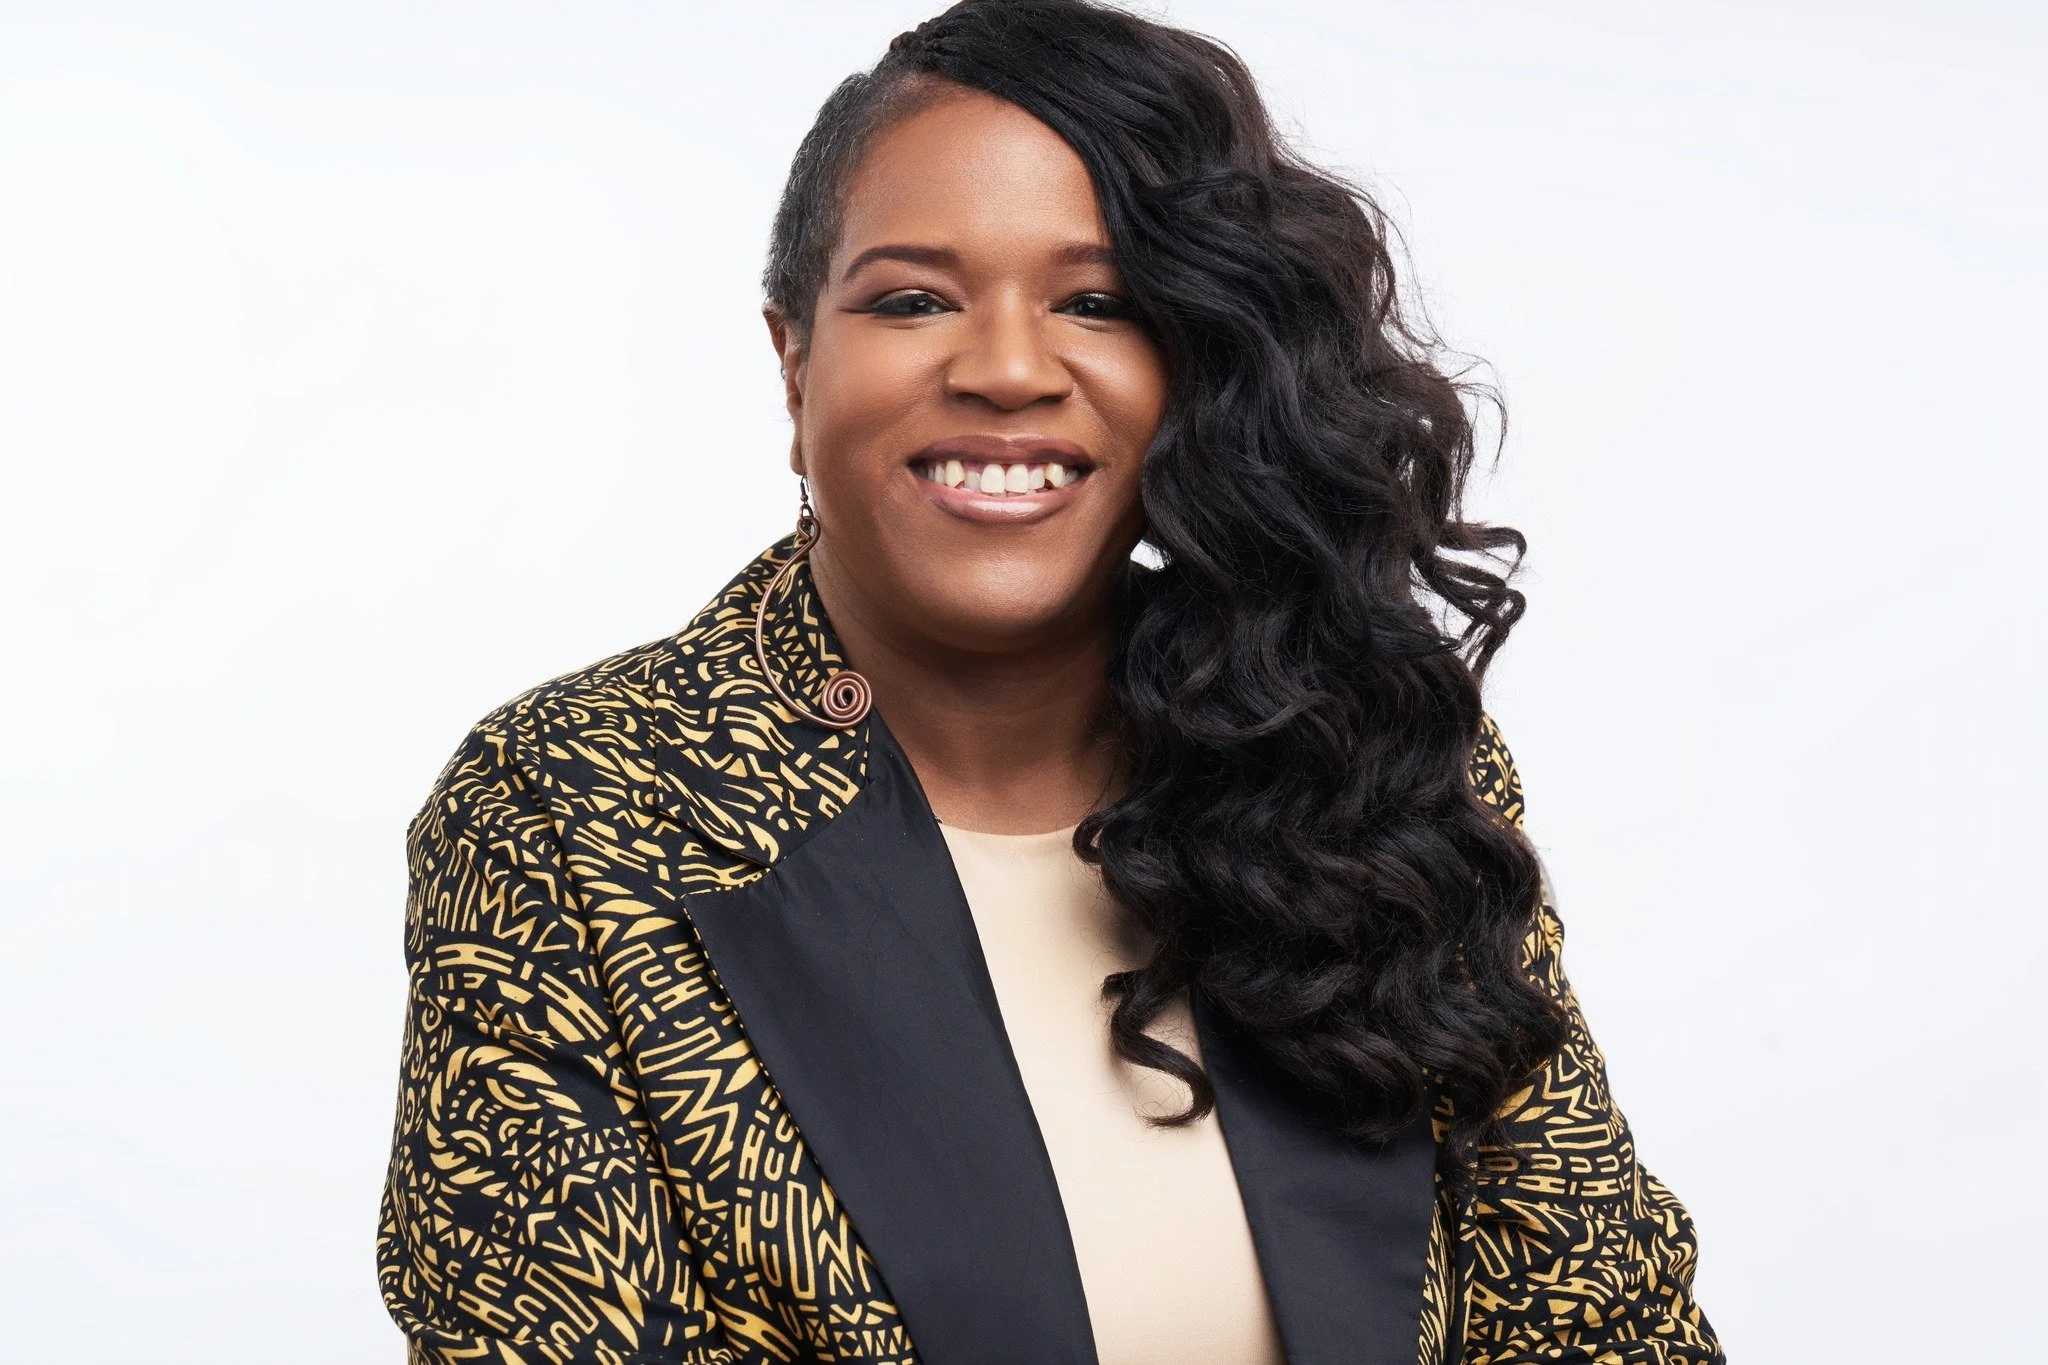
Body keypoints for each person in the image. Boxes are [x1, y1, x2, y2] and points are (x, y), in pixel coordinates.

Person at [377, 2, 1722, 1361]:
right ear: (793, 362)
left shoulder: (1356, 749)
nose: (1009, 371)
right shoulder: (569, 813)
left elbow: (1603, 1321)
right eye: (913, 299)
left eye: (1098, 303)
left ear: (1196, 363)